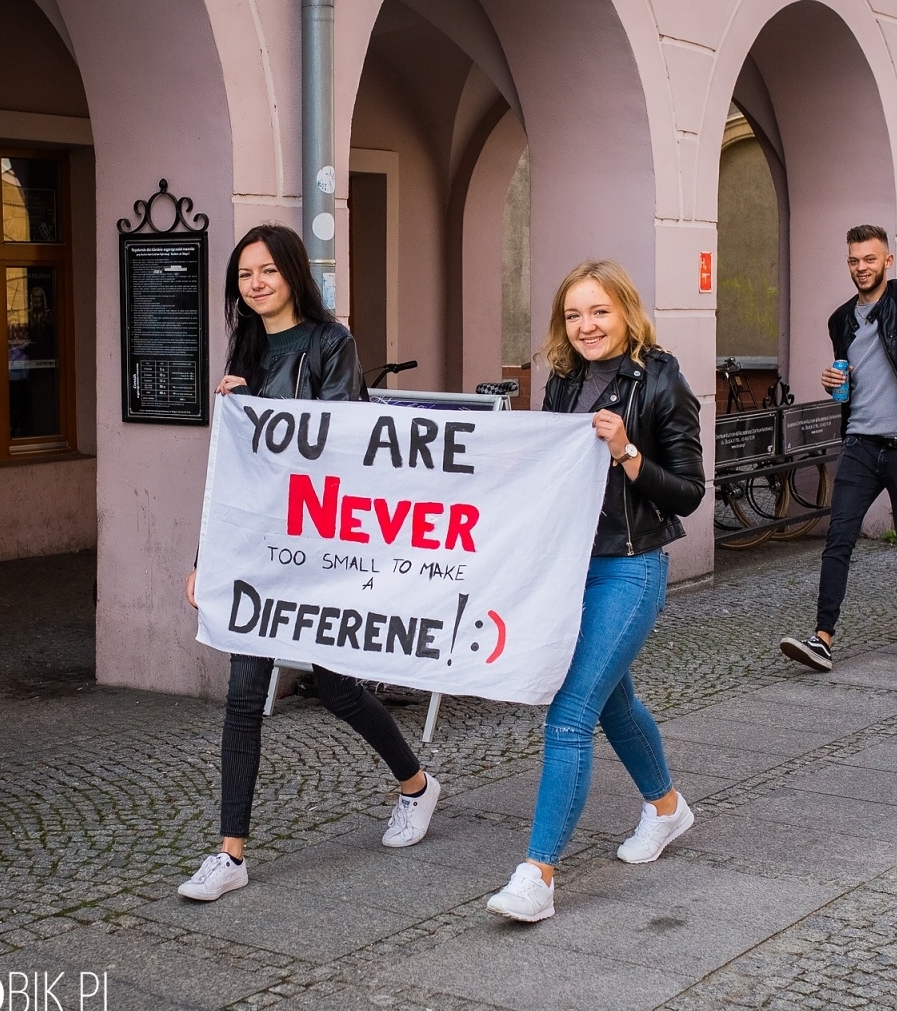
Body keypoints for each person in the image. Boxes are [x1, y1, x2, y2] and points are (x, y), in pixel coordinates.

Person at [178, 224, 440, 902]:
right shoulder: (245, 346)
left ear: (294, 273)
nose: (256, 284)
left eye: (267, 270)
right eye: (245, 275)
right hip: (258, 546)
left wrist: (260, 409)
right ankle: (230, 853)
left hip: (318, 545)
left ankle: (416, 785)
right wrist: (208, 558)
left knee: (336, 684)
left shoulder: (330, 342)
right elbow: (234, 472)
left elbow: (340, 439)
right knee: (244, 694)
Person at [486, 259, 704, 923]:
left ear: (626, 313)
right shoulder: (564, 378)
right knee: (614, 700)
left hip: (630, 567)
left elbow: (688, 493)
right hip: (569, 566)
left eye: (599, 311)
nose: (586, 326)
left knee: (571, 710)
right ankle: (667, 808)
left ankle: (538, 874)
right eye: (574, 314)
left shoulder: (661, 380)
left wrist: (628, 452)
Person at [779, 225, 897, 671]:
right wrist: (833, 384)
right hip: (860, 445)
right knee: (839, 538)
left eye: (870, 259)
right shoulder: (840, 320)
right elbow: (849, 386)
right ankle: (822, 639)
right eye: (854, 260)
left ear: (888, 261)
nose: (861, 268)